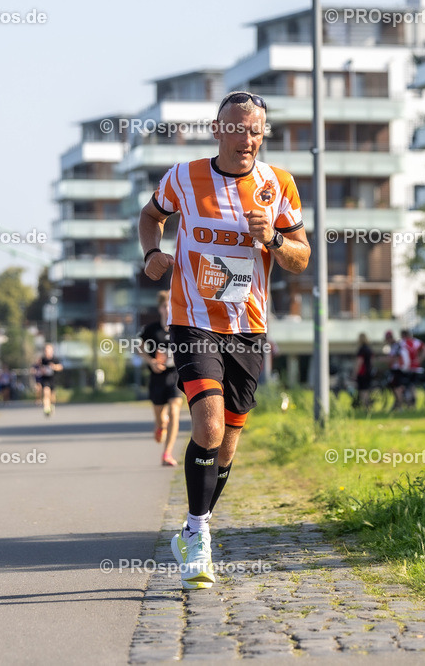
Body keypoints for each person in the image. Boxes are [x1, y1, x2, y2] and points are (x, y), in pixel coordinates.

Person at [139, 91, 310, 590]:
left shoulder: (278, 185)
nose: (247, 139)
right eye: (237, 129)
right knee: (209, 427)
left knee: (229, 441)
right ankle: (198, 534)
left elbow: (301, 257)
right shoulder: (184, 176)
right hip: (193, 319)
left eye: (256, 130)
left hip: (249, 326)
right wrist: (151, 254)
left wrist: (274, 239)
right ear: (218, 130)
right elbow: (152, 217)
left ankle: (196, 526)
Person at [139, 290, 181, 466]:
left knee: (174, 411)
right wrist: (151, 362)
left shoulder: (180, 328)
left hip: (176, 375)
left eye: (171, 305)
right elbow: (139, 346)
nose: (168, 309)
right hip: (157, 376)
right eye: (165, 306)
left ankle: (167, 453)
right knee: (161, 416)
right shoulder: (151, 329)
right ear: (160, 308)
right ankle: (159, 425)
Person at [37, 344, 63, 416]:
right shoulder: (42, 360)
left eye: (48, 350)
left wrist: (54, 367)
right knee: (46, 392)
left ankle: (51, 405)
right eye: (46, 350)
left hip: (53, 379)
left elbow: (60, 367)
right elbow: (38, 368)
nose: (47, 352)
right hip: (45, 379)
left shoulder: (55, 359)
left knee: (52, 396)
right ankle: (46, 408)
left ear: (52, 351)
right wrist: (42, 370)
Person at [354, 333, 373, 410]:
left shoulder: (361, 349)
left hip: (362, 372)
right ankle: (366, 405)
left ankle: (365, 406)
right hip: (368, 372)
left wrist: (355, 372)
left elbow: (359, 362)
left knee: (362, 390)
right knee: (366, 390)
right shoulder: (369, 349)